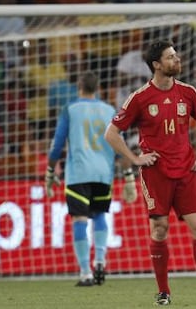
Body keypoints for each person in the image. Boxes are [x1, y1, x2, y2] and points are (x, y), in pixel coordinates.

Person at [104, 40, 196, 305]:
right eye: (171, 57)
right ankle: (164, 292)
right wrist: (136, 159)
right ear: (157, 65)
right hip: (156, 173)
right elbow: (111, 133)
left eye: (176, 56)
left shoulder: (189, 93)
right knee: (160, 229)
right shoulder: (139, 98)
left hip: (186, 170)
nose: (177, 60)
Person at [45, 71, 136, 287]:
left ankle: (86, 272)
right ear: (97, 88)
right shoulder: (109, 110)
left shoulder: (70, 109)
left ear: (79, 86)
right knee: (99, 215)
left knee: (79, 220)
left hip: (78, 173)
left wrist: (50, 172)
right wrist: (129, 175)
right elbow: (120, 145)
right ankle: (101, 261)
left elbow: (57, 144)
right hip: (104, 173)